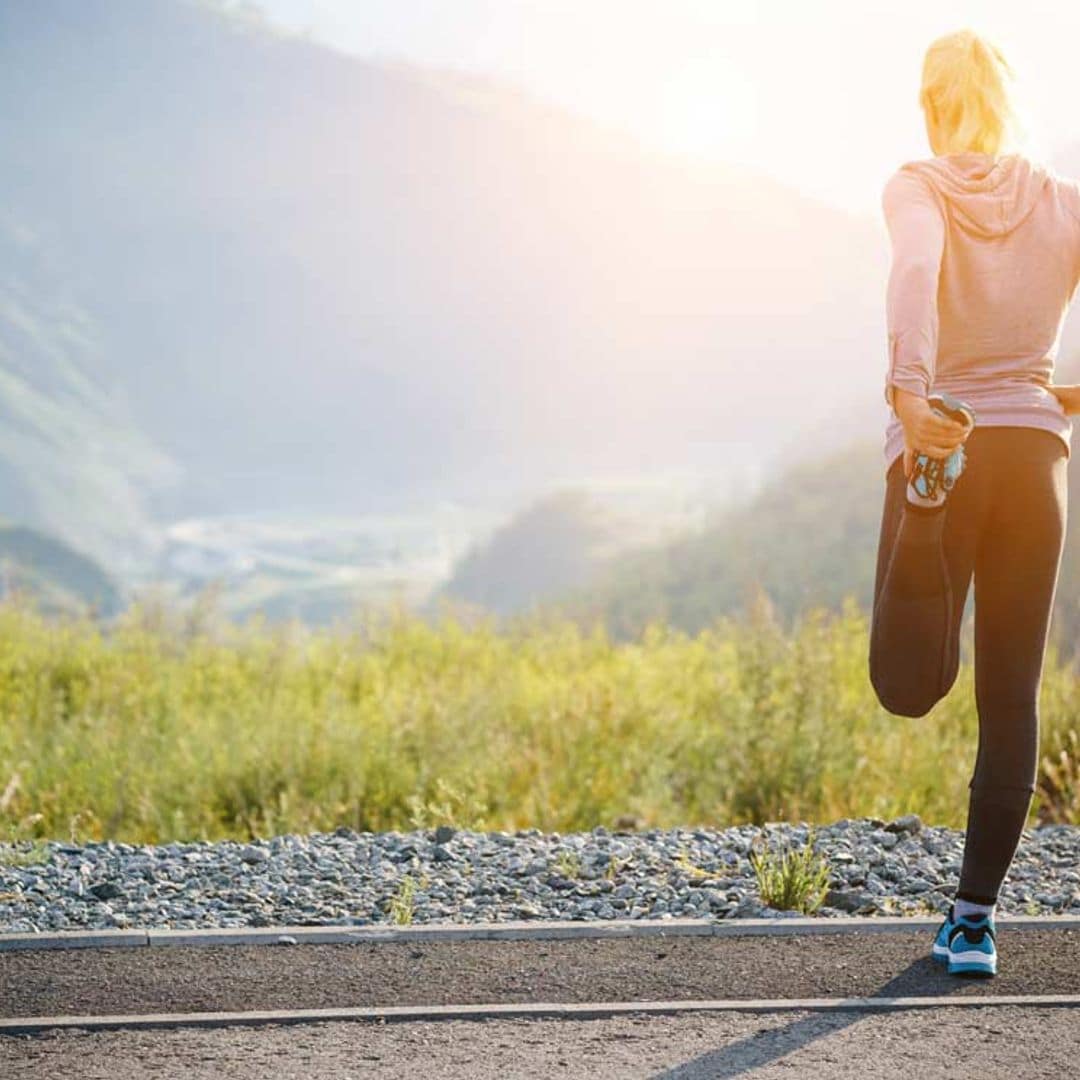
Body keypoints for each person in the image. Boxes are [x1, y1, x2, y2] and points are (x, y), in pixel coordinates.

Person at [868, 27, 1080, 977]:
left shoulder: (917, 183)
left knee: (907, 687)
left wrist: (913, 396)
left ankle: (923, 504)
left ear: (931, 104)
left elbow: (916, 270)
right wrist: (1054, 393)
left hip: (945, 439)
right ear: (1006, 100)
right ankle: (972, 924)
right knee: (1012, 701)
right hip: (1035, 461)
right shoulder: (1065, 206)